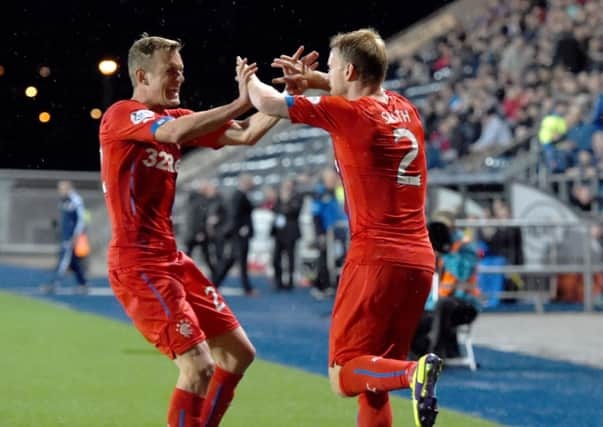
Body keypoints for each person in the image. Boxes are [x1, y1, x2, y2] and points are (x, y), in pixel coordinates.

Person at [243, 28, 441, 427]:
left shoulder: (350, 114)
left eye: (331, 69)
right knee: (373, 379)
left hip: (376, 258)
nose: (326, 76)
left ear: (349, 71)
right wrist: (316, 80)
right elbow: (353, 88)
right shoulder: (406, 108)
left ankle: (410, 373)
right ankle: (403, 374)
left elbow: (265, 101)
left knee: (344, 373)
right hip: (418, 260)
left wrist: (246, 77)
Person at [99, 34, 293, 427]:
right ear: (142, 75)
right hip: (139, 265)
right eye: (170, 72)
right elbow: (172, 135)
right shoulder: (121, 115)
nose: (179, 79)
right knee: (198, 366)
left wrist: (289, 97)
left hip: (171, 259)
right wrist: (241, 101)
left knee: (239, 355)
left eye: (181, 72)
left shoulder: (175, 119)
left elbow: (246, 134)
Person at [211, 173, 257, 295]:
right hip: (239, 235)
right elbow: (234, 215)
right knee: (238, 261)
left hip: (239, 234)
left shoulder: (241, 195)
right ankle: (247, 288)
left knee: (231, 261)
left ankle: (214, 284)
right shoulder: (239, 196)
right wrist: (237, 230)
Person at [41, 180, 90, 294]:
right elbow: (65, 218)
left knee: (63, 260)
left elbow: (81, 219)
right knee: (73, 261)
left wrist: (76, 235)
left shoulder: (76, 200)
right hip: (65, 235)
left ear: (68, 188)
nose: (60, 191)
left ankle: (54, 283)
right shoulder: (63, 200)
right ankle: (83, 284)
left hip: (72, 236)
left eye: (62, 188)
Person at [271, 178, 303, 290]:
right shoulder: (280, 196)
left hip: (291, 232)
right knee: (276, 258)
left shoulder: (297, 196)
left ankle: (290, 282)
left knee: (290, 258)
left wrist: (285, 202)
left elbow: (294, 211)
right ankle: (278, 281)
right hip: (279, 232)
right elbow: (274, 209)